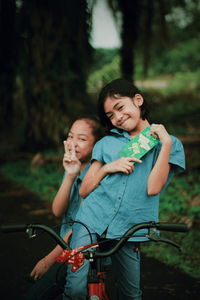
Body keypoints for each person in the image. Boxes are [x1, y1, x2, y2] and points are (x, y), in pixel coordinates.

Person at [63, 78, 186, 300]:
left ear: (138, 100)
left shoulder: (170, 144)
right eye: (110, 115)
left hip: (130, 227)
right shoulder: (106, 143)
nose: (117, 117)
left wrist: (165, 144)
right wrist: (107, 168)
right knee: (75, 289)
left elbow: (153, 188)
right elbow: (84, 191)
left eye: (120, 108)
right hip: (91, 218)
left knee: (130, 294)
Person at [24, 117, 103, 300]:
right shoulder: (74, 167)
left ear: (97, 145)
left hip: (80, 251)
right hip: (66, 249)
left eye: (82, 139)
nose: (74, 144)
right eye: (71, 136)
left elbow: (80, 228)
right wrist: (69, 175)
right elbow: (57, 211)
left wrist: (48, 260)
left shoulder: (95, 176)